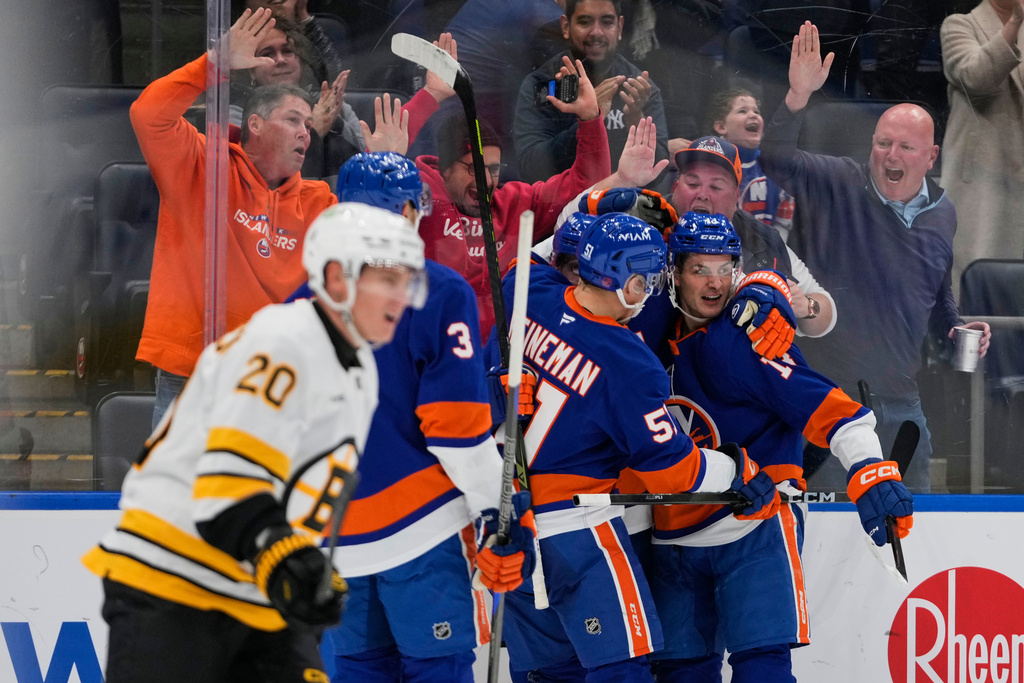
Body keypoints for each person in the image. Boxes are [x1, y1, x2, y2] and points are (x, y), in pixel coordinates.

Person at [82, 202, 428, 682]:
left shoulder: (359, 368)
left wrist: (303, 572)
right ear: (335, 278)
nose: (402, 297)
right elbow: (227, 488)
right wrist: (290, 561)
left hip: (256, 594)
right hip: (173, 584)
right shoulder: (284, 341)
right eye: (387, 280)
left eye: (407, 281)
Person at [495, 212, 779, 682]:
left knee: (548, 673)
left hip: (512, 524)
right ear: (628, 283)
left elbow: (533, 254)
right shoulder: (629, 361)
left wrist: (600, 197)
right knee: (622, 670)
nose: (649, 292)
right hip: (580, 532)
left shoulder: (527, 293)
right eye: (646, 280)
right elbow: (672, 473)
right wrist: (734, 469)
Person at [284, 153, 533, 683]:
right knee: (436, 669)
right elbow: (457, 433)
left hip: (333, 538)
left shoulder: (299, 300)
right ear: (405, 209)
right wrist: (500, 509)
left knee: (360, 670)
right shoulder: (436, 290)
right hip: (420, 533)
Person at [650, 211, 915, 683]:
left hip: (755, 524)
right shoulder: (650, 327)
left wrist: (870, 468)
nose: (714, 284)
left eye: (724, 269)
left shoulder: (745, 337)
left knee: (762, 669)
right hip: (675, 528)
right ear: (673, 272)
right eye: (699, 270)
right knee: (680, 673)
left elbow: (833, 409)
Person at [759, 20, 993, 491]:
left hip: (903, 406)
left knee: (912, 538)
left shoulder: (943, 213)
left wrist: (955, 326)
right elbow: (776, 158)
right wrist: (797, 98)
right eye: (883, 143)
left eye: (906, 147)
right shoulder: (838, 181)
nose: (891, 154)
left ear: (931, 156)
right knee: (825, 540)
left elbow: (936, 294)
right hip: (831, 402)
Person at [133, 8, 337, 427]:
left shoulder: (319, 202)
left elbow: (374, 253)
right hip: (193, 375)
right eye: (293, 120)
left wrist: (390, 158)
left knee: (267, 494)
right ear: (256, 125)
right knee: (177, 494)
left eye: (308, 124)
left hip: (274, 383)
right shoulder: (203, 167)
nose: (305, 132)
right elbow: (148, 115)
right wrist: (214, 65)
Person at [416, 54, 623, 340]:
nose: (487, 181)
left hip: (503, 362)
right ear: (445, 168)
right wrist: (431, 96)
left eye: (494, 169)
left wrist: (589, 118)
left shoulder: (515, 204)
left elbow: (588, 186)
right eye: (474, 169)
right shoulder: (419, 196)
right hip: (432, 349)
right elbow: (374, 189)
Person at [670, 135, 836, 339]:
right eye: (693, 183)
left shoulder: (763, 240)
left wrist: (807, 307)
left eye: (716, 187)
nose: (703, 194)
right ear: (675, 187)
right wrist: (622, 180)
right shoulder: (647, 223)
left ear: (736, 197)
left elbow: (827, 310)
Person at [514, 0, 671, 188]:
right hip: (561, 208)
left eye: (607, 22)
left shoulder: (639, 87)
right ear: (566, 26)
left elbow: (658, 172)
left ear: (619, 28)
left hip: (624, 209)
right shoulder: (544, 85)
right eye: (585, 22)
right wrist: (588, 121)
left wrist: (636, 120)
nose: (597, 33)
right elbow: (531, 168)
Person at [940, 0, 1024, 296]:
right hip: (980, 181)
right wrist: (1014, 23)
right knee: (973, 284)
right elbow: (975, 77)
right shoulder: (959, 26)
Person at [705, 86, 796, 243]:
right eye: (742, 111)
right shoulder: (707, 164)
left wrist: (776, 250)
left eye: (756, 111)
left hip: (765, 255)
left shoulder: (773, 165)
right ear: (721, 127)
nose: (753, 115)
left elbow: (784, 214)